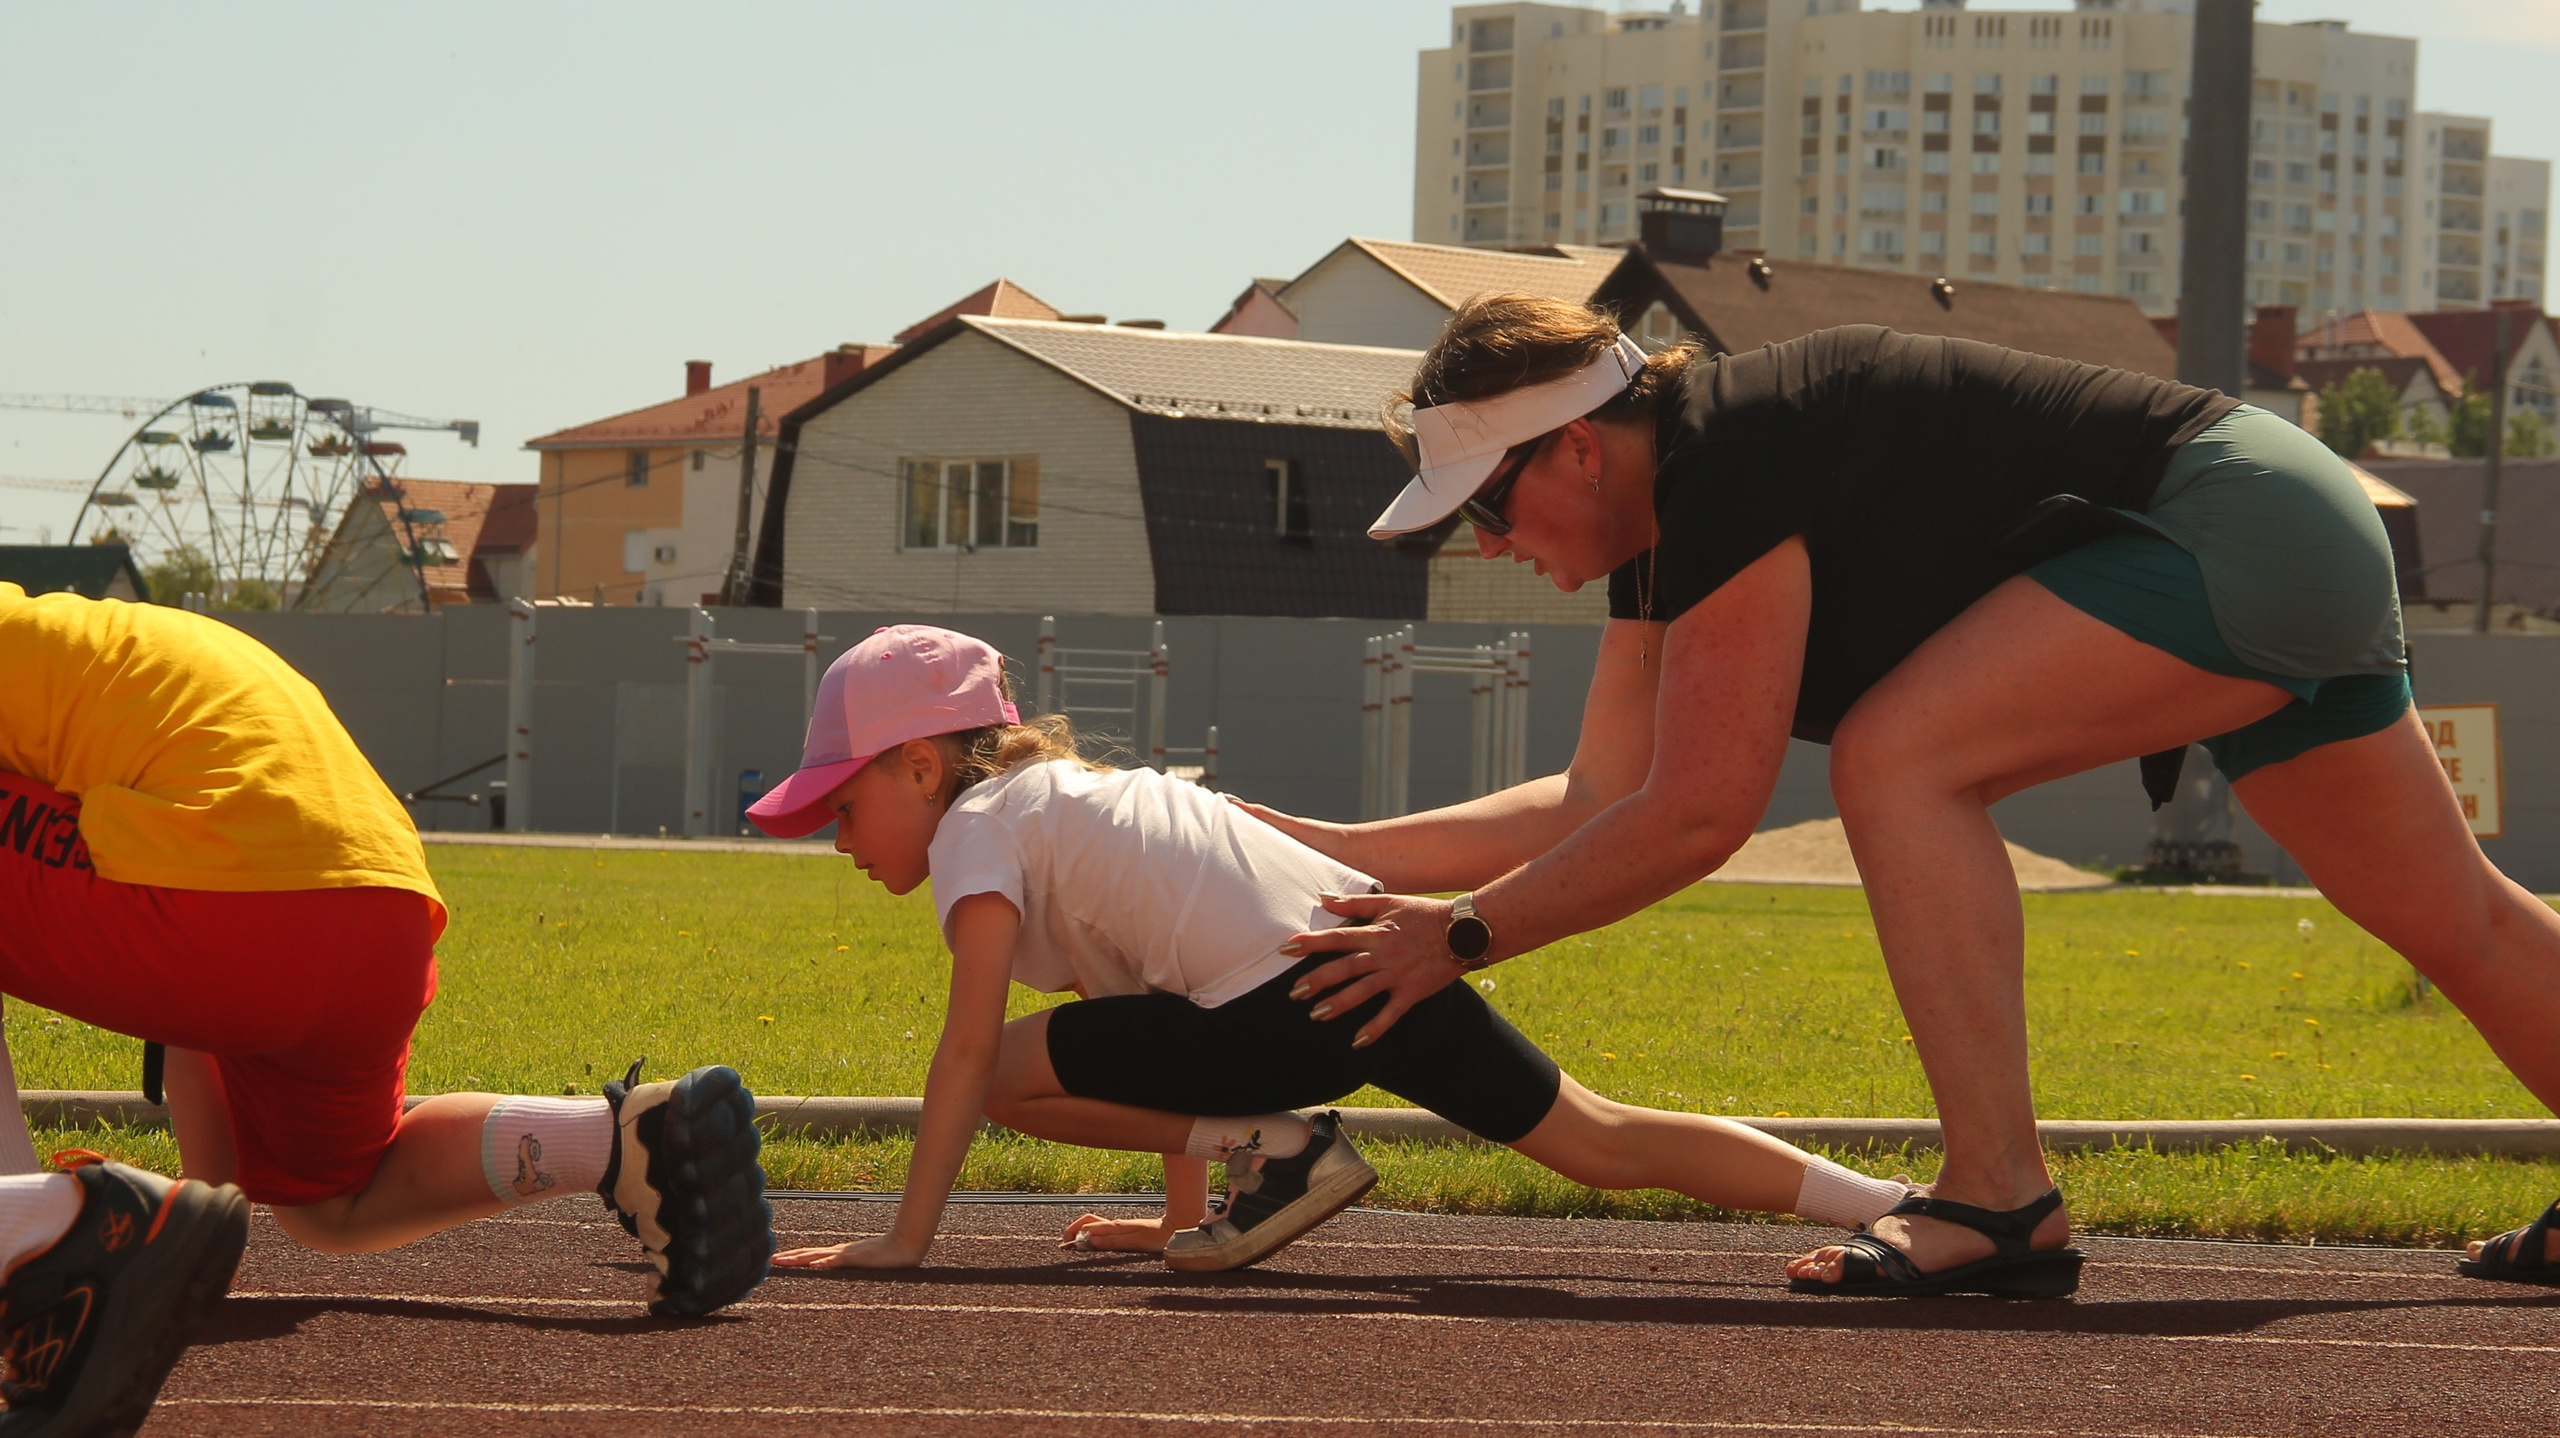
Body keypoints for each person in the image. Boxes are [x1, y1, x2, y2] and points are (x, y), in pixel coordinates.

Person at [1246, 298, 2560, 1298]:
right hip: (2294, 519)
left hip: (2235, 520)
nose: (1487, 546)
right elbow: (1606, 799)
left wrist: (1459, 934)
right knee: (2461, 920)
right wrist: (1334, 849)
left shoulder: (1726, 469)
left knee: (1900, 758)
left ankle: (1999, 1200)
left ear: (1577, 449)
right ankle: (1998, 1195)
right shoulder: (1676, 521)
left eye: (1486, 505)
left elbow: (1703, 815)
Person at [741, 625, 1914, 1275]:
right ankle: (1896, 1202)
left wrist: (902, 1239)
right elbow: (1143, 1011)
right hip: (1375, 949)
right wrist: (1177, 1216)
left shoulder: (980, 830)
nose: (836, 839)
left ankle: (1285, 1148)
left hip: (1281, 1001)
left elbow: (963, 1056)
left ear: (919, 766)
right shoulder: (1071, 800)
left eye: (839, 809)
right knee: (1599, 1140)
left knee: (1004, 1069)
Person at [0, 584, 774, 1430]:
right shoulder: (85, 639)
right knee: (335, 1205)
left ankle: (31, 1232)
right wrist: (195, 1224)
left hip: (226, 906)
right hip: (382, 909)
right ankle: (620, 1141)